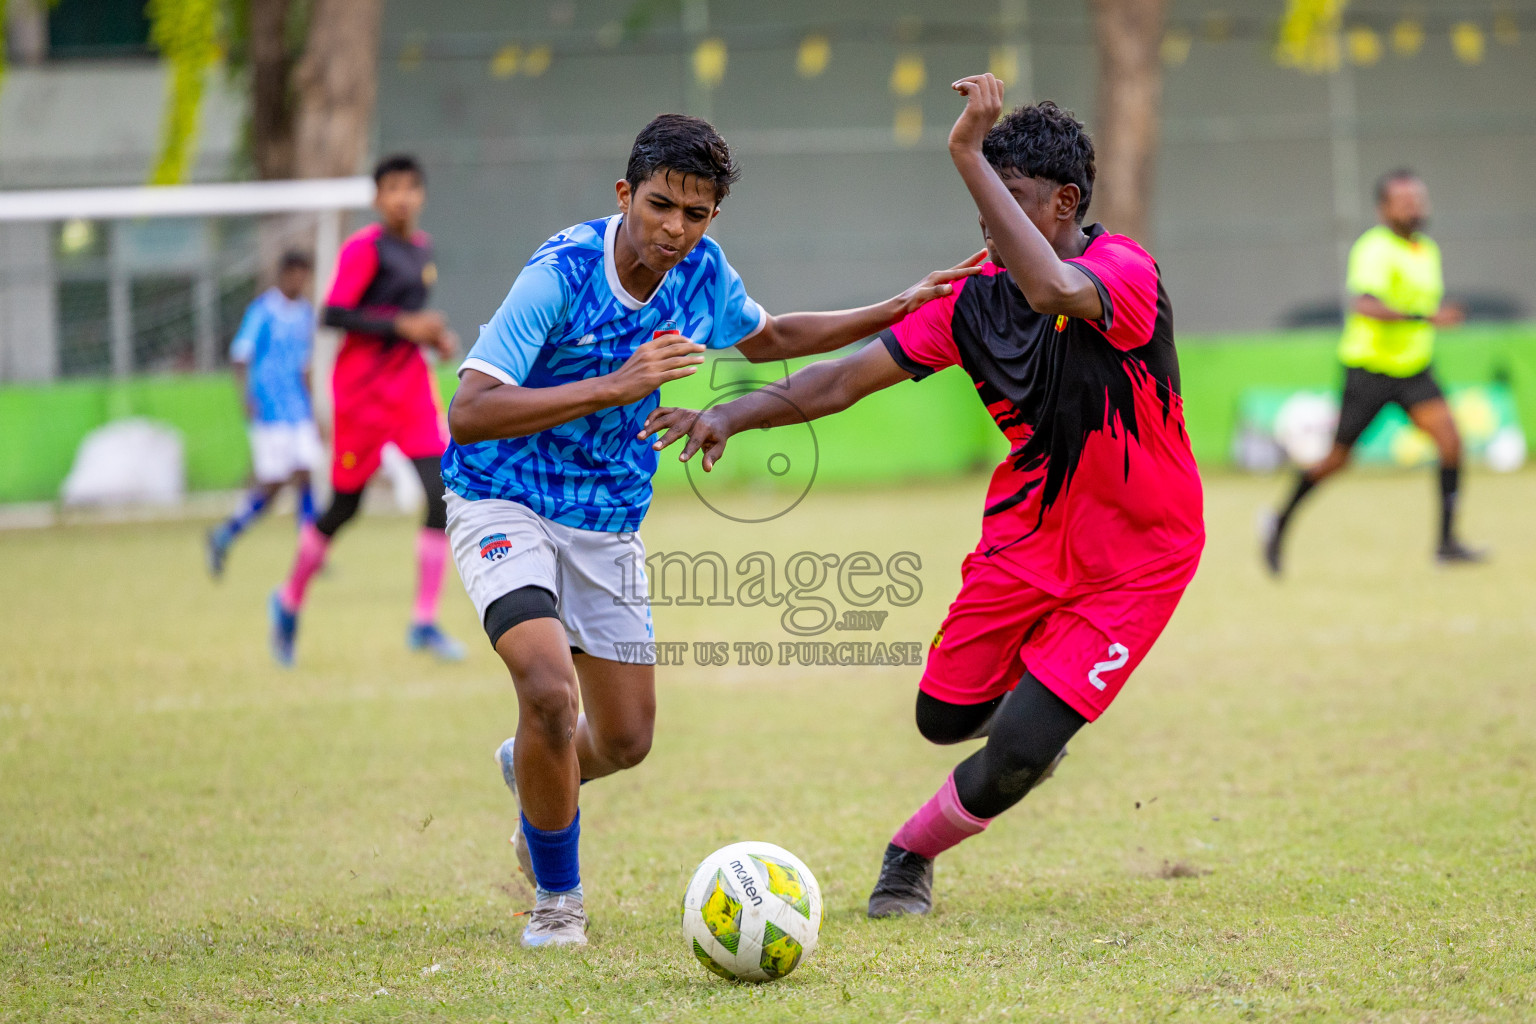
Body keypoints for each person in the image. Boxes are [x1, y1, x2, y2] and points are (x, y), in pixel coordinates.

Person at [642, 77, 1205, 919]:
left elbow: (1053, 289)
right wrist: (733, 412)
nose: (987, 218)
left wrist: (963, 151)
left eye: (1008, 199)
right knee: (942, 719)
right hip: (1027, 539)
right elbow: (841, 381)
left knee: (1017, 749)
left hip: (1140, 555)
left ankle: (910, 854)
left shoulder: (1121, 272)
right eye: (983, 195)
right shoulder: (970, 304)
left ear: (1065, 204)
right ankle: (1041, 707)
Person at [443, 113, 983, 947]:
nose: (673, 228)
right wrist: (616, 387)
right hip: (501, 497)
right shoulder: (558, 275)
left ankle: (534, 770)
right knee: (548, 690)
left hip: (607, 516)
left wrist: (893, 305)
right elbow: (470, 411)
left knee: (624, 741)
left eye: (694, 216)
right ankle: (558, 900)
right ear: (625, 194)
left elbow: (769, 339)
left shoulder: (702, 272)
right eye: (659, 206)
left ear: (712, 218)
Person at [269, 154, 466, 666]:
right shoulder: (365, 248)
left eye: (410, 187)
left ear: (421, 195)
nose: (401, 197)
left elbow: (406, 319)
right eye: (391, 188)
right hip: (361, 396)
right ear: (378, 199)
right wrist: (405, 326)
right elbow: (333, 313)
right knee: (344, 508)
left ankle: (424, 621)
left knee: (441, 492)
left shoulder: (423, 249)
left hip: (409, 392)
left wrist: (435, 339)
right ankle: (289, 600)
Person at [1263, 169, 1479, 573]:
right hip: (1369, 371)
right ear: (1384, 209)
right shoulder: (1374, 249)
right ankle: (1278, 522)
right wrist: (1426, 317)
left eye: (1419, 199)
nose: (1415, 207)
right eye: (1405, 201)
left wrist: (1427, 321)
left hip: (1414, 370)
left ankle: (1446, 544)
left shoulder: (1427, 250)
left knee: (1450, 441)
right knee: (1336, 461)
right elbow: (1365, 304)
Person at [207, 251, 320, 577]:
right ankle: (225, 533)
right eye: (295, 274)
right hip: (269, 410)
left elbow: (304, 366)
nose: (300, 281)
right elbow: (240, 356)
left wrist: (313, 409)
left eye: (305, 275)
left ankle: (309, 549)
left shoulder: (305, 314)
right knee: (273, 484)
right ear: (283, 274)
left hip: (297, 409)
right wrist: (245, 397)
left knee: (305, 474)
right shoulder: (263, 311)